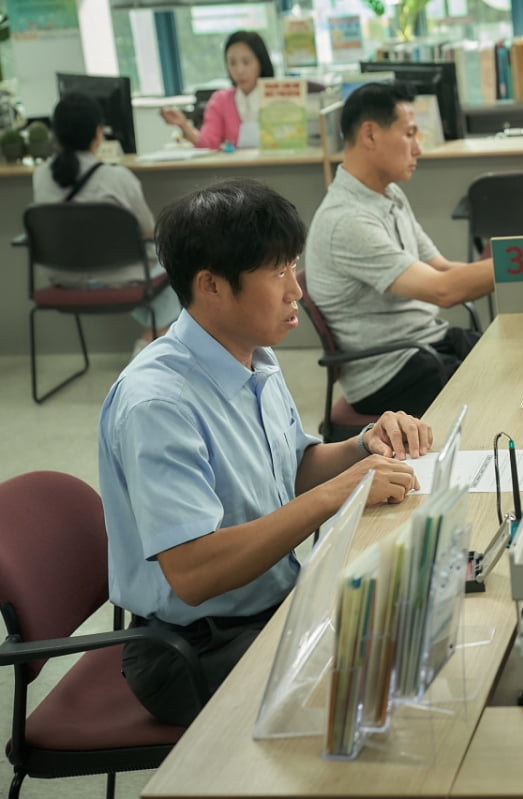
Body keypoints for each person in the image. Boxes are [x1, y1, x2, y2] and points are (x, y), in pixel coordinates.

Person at [99, 178, 432, 726]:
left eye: (292, 267)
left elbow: (292, 469)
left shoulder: (253, 357)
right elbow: (195, 572)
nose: (296, 289)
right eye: (276, 272)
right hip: (191, 649)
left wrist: (363, 445)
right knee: (383, 685)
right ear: (210, 285)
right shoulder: (157, 403)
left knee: (412, 620)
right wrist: (336, 495)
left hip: (271, 607)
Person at [305, 82, 494, 417]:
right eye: (409, 134)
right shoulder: (347, 221)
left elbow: (442, 270)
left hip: (426, 344)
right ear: (370, 135)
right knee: (501, 391)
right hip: (389, 372)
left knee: (511, 359)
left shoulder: (389, 195)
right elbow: (444, 291)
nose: (417, 148)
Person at [33, 92, 180, 352]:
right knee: (180, 266)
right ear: (98, 133)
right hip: (120, 275)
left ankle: (152, 342)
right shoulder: (118, 178)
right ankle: (149, 344)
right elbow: (149, 230)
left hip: (64, 276)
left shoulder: (40, 176)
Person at [161, 30, 274, 150]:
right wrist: (183, 125)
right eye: (232, 63)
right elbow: (208, 143)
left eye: (246, 62)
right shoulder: (221, 100)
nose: (239, 70)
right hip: (236, 167)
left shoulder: (278, 96)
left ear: (261, 62)